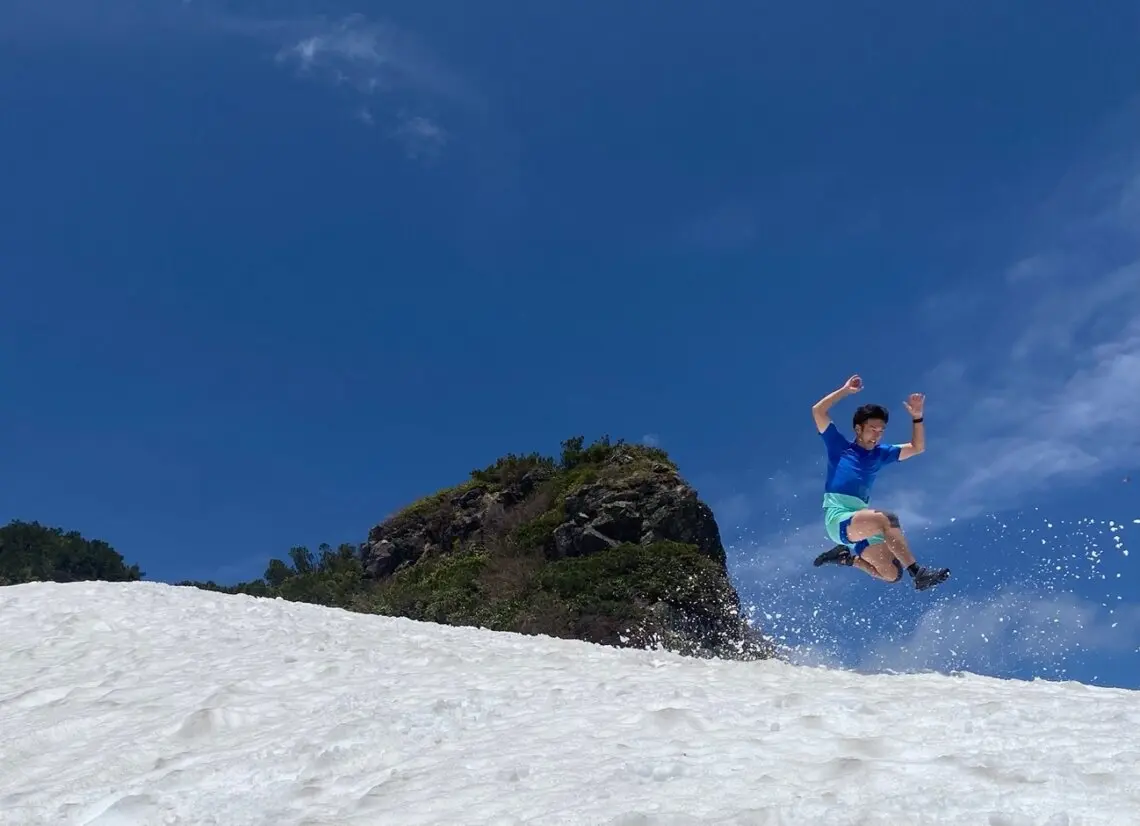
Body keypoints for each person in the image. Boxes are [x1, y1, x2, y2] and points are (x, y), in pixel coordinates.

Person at [810, 374, 950, 591]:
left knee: (893, 573)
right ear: (858, 429)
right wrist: (845, 390)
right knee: (887, 519)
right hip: (839, 520)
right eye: (872, 429)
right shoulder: (840, 447)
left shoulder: (881, 454)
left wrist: (917, 417)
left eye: (881, 430)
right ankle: (919, 573)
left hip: (860, 524)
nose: (877, 434)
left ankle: (846, 558)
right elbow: (818, 411)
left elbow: (917, 447)